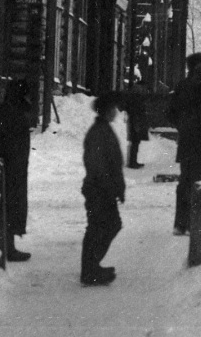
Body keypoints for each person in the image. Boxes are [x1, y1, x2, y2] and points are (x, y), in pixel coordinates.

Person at [168, 54, 201, 235]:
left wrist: (182, 128)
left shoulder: (182, 86)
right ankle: (194, 223)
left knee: (185, 181)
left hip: (187, 142)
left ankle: (180, 223)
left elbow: (171, 112)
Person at [0, 78, 37, 261]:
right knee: (11, 207)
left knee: (3, 207)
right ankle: (8, 248)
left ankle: (4, 246)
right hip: (14, 170)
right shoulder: (18, 116)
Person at [79, 95, 125, 286]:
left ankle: (91, 267)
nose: (116, 111)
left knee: (104, 226)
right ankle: (90, 270)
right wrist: (110, 188)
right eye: (113, 108)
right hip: (99, 189)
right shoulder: (99, 132)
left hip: (103, 188)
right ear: (107, 111)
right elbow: (98, 165)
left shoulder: (103, 129)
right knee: (102, 227)